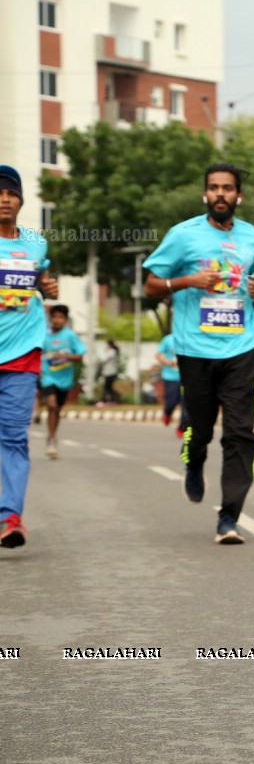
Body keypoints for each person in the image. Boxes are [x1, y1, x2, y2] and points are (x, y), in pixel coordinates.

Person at [143, 163, 254, 545]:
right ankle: (194, 460)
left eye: (227, 189)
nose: (220, 194)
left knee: (240, 431)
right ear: (205, 195)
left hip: (242, 344)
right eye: (213, 188)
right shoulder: (183, 236)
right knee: (200, 426)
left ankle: (229, 516)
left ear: (238, 196)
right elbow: (150, 285)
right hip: (195, 347)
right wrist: (187, 281)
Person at [0, 164, 59, 549]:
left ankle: (10, 518)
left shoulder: (35, 242)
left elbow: (40, 281)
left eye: (11, 193)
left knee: (13, 438)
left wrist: (47, 285)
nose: (5, 199)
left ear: (21, 199)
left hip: (22, 354)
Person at [40, 304, 85, 459]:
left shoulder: (70, 336)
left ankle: (52, 436)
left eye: (60, 317)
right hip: (48, 376)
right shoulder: (44, 335)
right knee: (51, 405)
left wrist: (66, 356)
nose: (57, 320)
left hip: (64, 379)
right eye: (54, 317)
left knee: (57, 409)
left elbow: (80, 356)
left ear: (65, 320)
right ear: (50, 318)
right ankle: (51, 440)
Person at [157, 332, 189, 438]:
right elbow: (159, 355)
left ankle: (182, 428)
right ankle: (167, 413)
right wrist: (168, 362)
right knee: (171, 402)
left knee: (186, 405)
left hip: (187, 378)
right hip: (170, 377)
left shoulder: (191, 338)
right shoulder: (168, 339)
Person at [98, 339, 120, 406]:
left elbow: (105, 359)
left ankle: (110, 400)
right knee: (108, 387)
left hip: (110, 372)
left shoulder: (112, 351)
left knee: (108, 387)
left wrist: (100, 362)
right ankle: (109, 400)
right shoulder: (109, 351)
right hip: (107, 372)